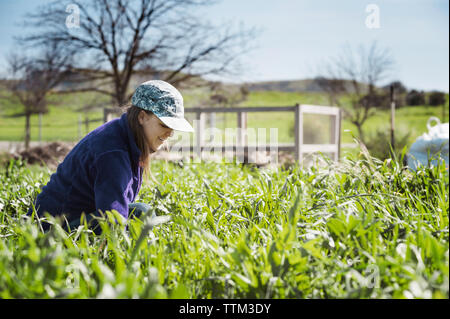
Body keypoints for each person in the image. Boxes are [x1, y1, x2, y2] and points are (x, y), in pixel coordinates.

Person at [27, 80, 194, 233]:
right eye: (165, 124)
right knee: (142, 214)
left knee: (139, 212)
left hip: (74, 218)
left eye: (174, 127)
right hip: (52, 230)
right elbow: (113, 218)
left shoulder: (124, 135)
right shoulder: (113, 151)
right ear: (142, 117)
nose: (170, 133)